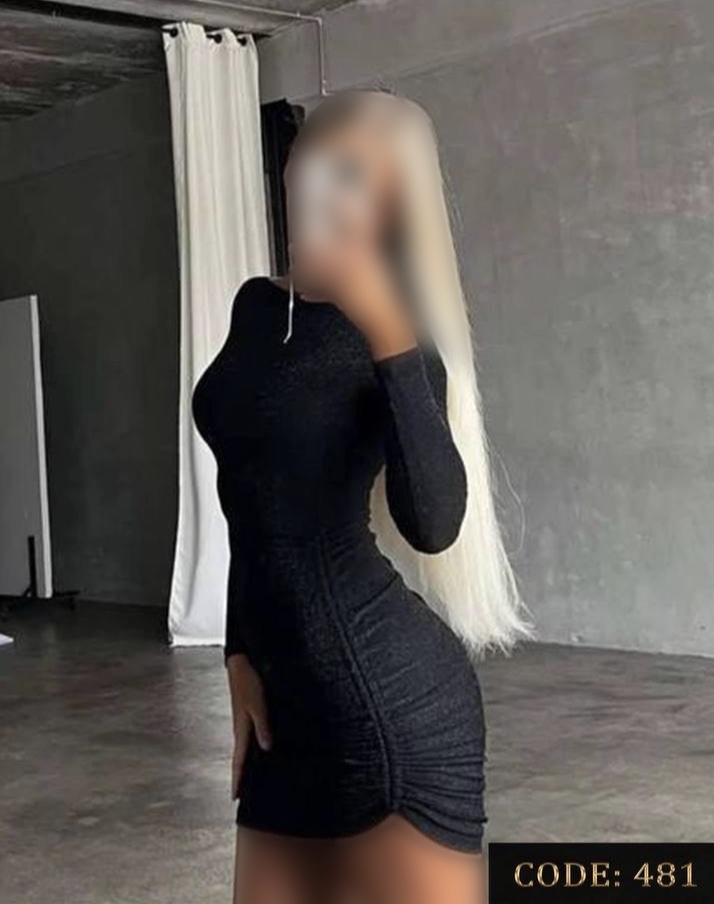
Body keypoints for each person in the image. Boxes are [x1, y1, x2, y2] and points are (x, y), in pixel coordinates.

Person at [192, 89, 532, 904]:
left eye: (354, 176)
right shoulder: (255, 308)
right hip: (282, 712)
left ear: (391, 203)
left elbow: (434, 523)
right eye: (315, 164)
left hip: (391, 712)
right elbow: (249, 495)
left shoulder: (400, 334)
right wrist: (237, 653)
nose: (325, 190)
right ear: (289, 170)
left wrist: (386, 332)